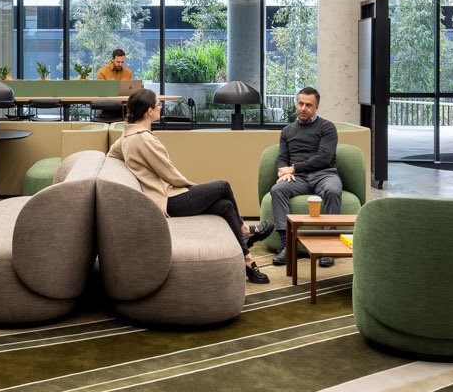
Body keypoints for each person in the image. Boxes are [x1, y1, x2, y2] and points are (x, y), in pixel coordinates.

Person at [108, 87, 269, 285]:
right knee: (222, 186)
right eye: (159, 104)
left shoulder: (127, 135)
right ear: (149, 111)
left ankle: (247, 260)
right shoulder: (143, 139)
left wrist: (137, 171)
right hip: (168, 201)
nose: (161, 107)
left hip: (164, 196)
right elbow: (169, 173)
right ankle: (244, 229)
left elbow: (111, 156)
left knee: (225, 207)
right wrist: (193, 187)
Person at [253, 86, 341, 268]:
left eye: (308, 105)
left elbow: (324, 157)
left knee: (333, 190)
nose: (303, 108)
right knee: (278, 190)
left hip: (324, 174)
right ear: (296, 104)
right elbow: (282, 157)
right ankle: (287, 246)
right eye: (300, 103)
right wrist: (281, 171)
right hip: (298, 178)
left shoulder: (327, 127)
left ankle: (328, 246)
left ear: (316, 108)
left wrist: (293, 168)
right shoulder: (287, 131)